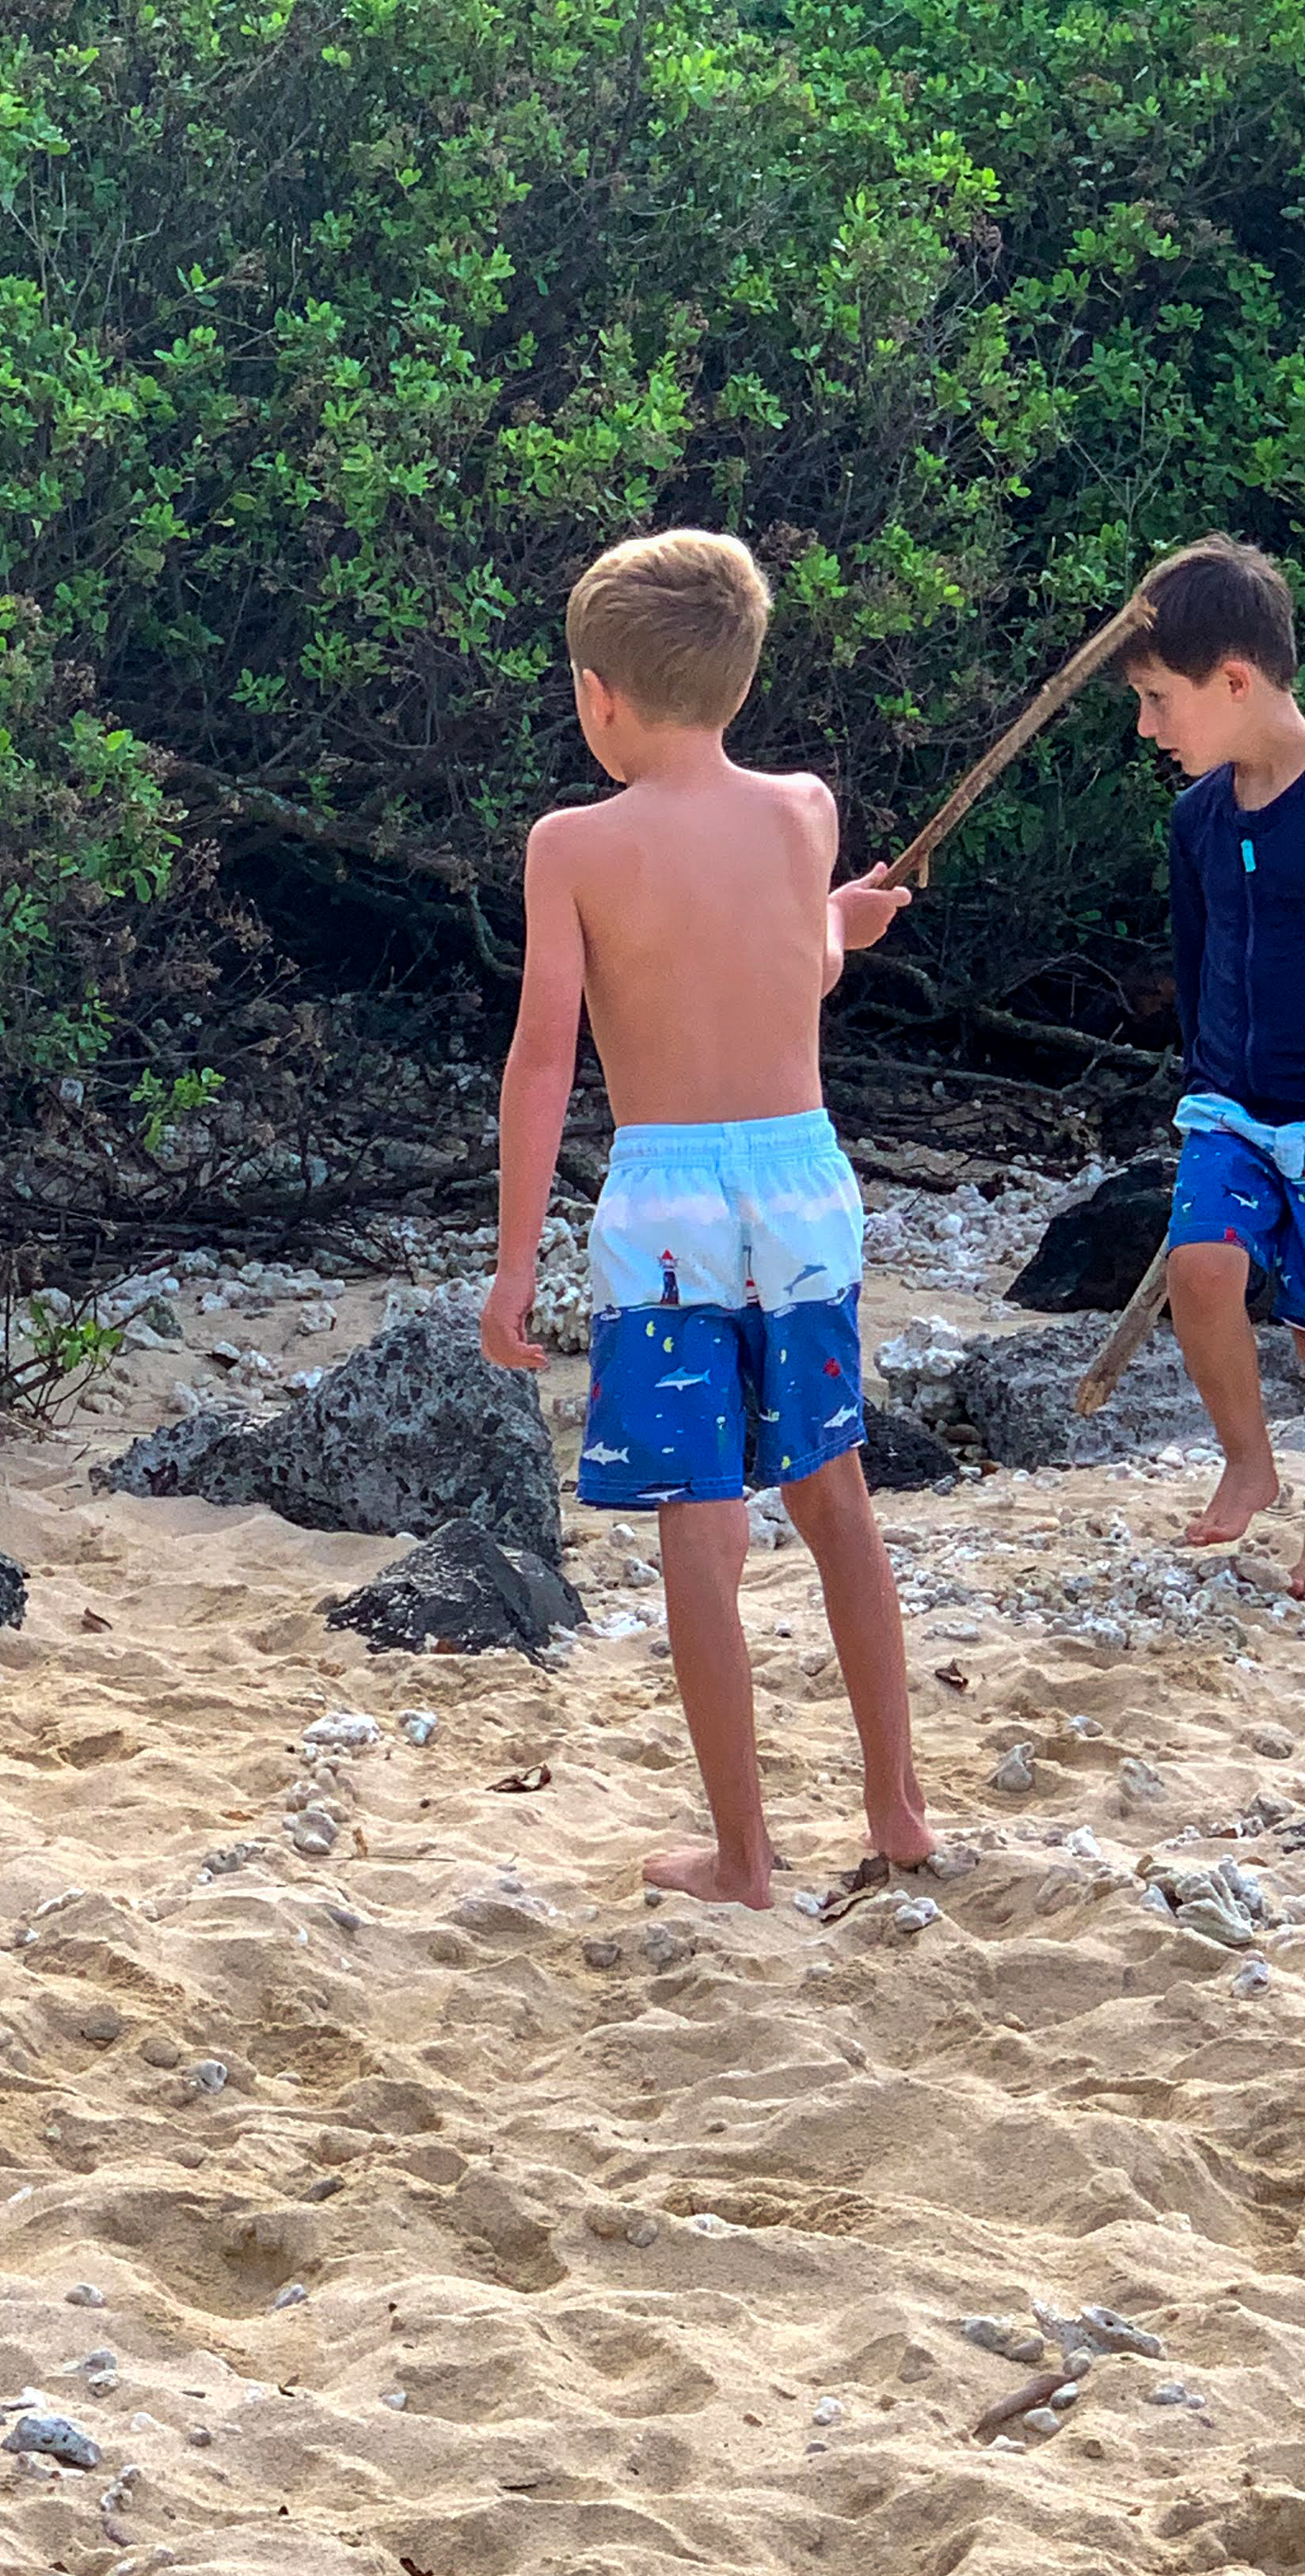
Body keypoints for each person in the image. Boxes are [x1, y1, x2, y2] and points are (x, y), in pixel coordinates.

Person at [480, 527, 933, 1907]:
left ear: (594, 694)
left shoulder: (571, 844)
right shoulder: (801, 812)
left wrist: (513, 1260)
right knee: (831, 1494)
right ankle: (896, 1807)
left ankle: (742, 1855)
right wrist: (839, 924)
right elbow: (791, 968)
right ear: (733, 682)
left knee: (698, 1518)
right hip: (801, 1180)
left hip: (667, 1195)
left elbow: (544, 1055)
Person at [1120, 535, 1305, 1582]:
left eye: (1158, 700)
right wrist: (1204, 1078)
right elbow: (1194, 963)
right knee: (1201, 1267)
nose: (1148, 728)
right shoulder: (1198, 818)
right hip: (1229, 1103)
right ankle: (1247, 1461)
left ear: (1234, 679)